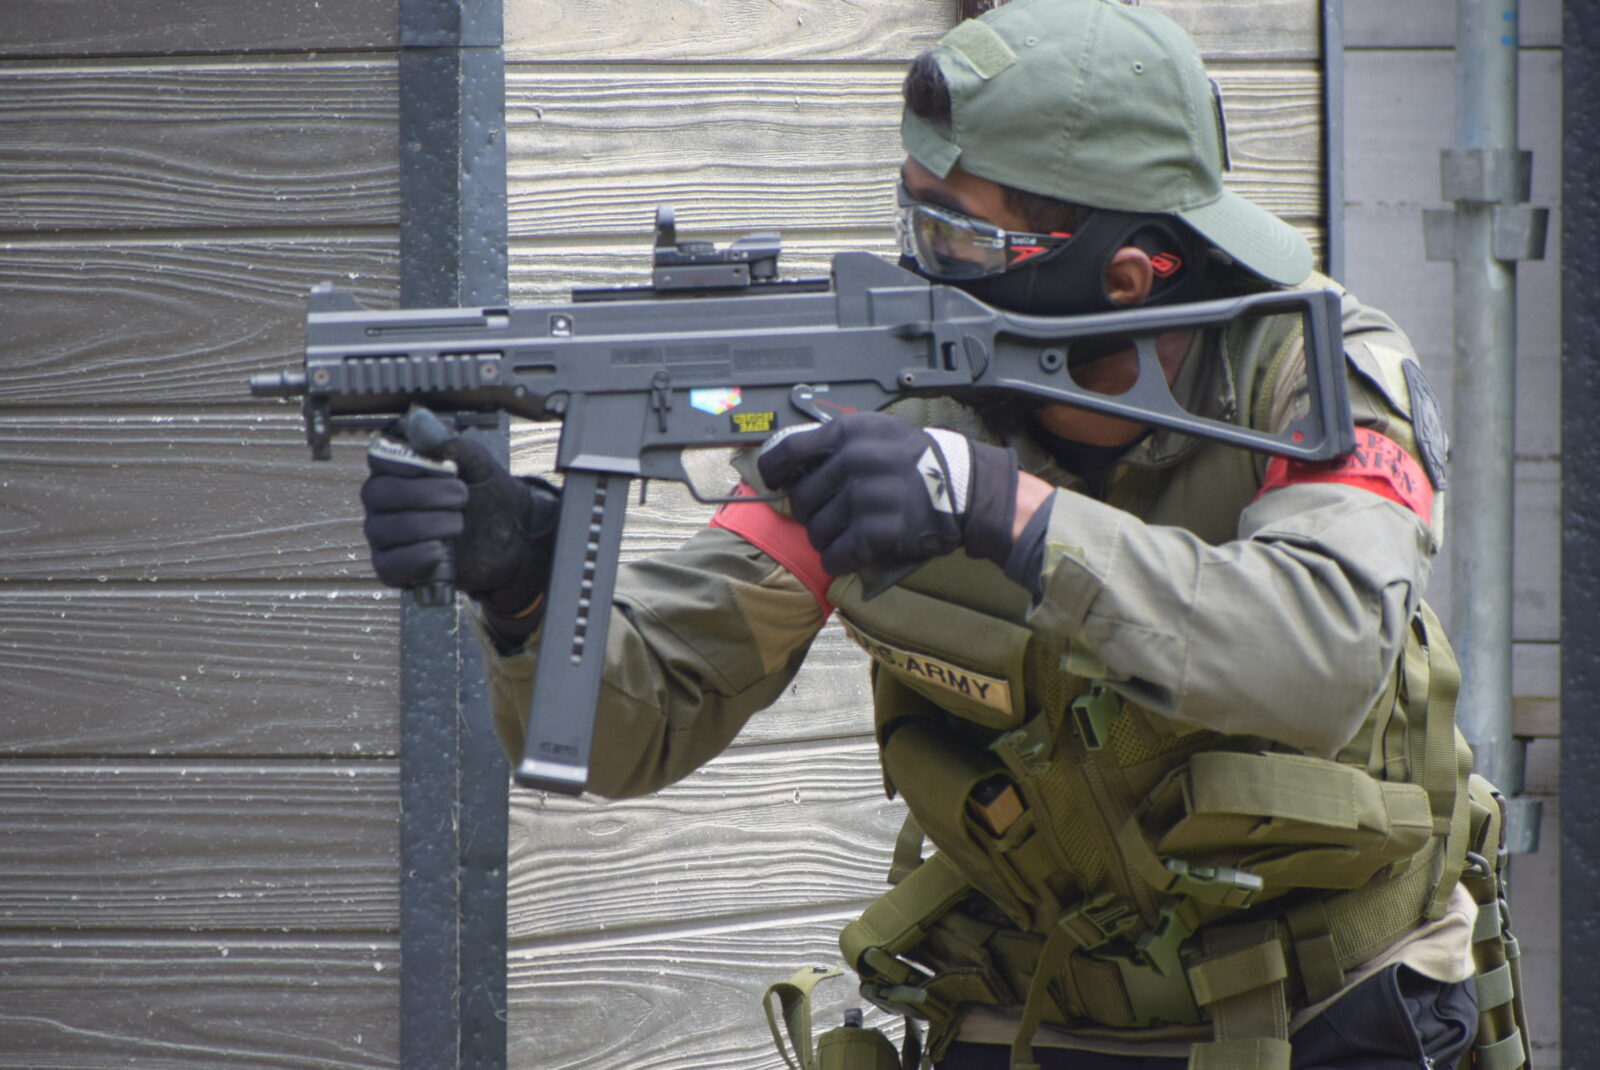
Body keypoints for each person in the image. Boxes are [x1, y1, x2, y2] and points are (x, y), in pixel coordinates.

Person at [361, 1, 1505, 1066]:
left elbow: (1324, 651)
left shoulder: (1310, 372)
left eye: (960, 238)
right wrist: (526, 582)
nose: (918, 266)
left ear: (1121, 274)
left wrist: (1001, 509)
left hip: (1333, 1008)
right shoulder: (899, 398)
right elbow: (643, 713)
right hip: (1033, 1010)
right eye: (911, 214)